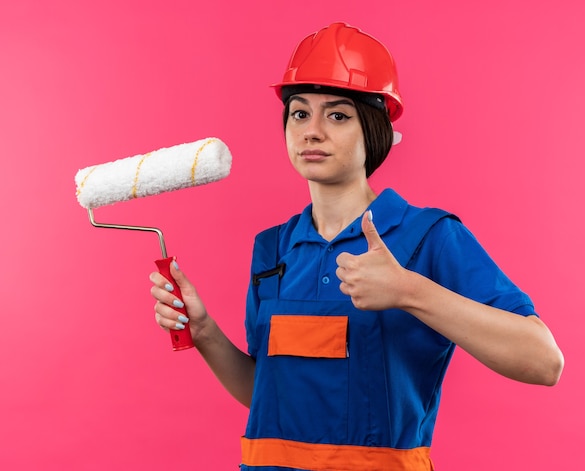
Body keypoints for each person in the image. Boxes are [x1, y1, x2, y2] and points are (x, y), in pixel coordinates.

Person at [150, 22, 564, 471]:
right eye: (299, 113)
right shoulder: (272, 250)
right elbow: (269, 396)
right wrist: (206, 332)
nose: (311, 131)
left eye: (338, 115)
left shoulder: (427, 237)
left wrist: (410, 291)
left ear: (375, 130)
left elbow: (543, 362)